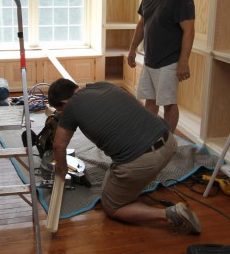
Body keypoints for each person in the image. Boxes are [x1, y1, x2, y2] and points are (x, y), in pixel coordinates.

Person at [47, 78, 201, 233]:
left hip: (144, 160)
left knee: (112, 207)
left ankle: (169, 214)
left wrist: (63, 171)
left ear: (63, 102)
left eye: (60, 110)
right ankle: (143, 174)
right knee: (113, 173)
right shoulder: (103, 85)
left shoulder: (71, 106)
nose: (62, 113)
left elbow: (59, 146)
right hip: (169, 143)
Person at [127, 0, 195, 132]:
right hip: (150, 60)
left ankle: (168, 143)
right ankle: (150, 137)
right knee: (150, 100)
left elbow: (189, 31)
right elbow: (142, 24)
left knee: (168, 103)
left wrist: (183, 61)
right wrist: (132, 49)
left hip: (169, 61)